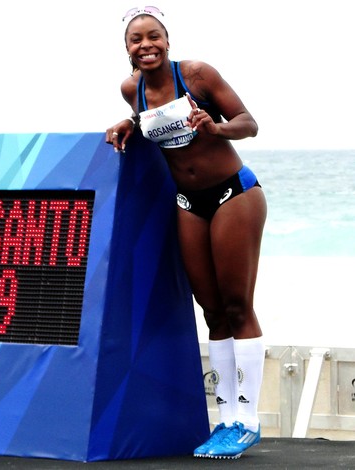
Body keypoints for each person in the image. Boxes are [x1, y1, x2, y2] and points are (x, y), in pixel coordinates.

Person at [106, 6, 267, 460]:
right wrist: (130, 123)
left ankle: (249, 419)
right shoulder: (130, 89)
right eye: (136, 40)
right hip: (187, 203)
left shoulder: (196, 75)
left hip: (234, 194)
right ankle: (226, 422)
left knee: (237, 304)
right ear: (127, 50)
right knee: (211, 309)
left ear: (167, 40)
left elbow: (249, 123)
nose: (146, 45)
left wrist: (215, 126)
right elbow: (152, 120)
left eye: (153, 36)